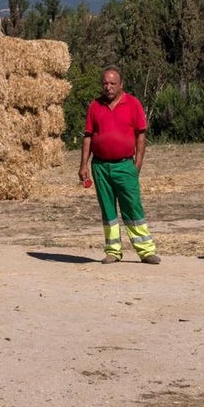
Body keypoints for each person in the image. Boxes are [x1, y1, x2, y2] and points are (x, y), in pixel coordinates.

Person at [78, 66, 160, 264]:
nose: (108, 87)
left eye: (112, 83)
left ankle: (146, 250)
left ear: (121, 84)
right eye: (105, 83)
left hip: (125, 166)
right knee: (108, 210)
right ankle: (113, 251)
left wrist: (137, 164)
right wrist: (84, 165)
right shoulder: (95, 106)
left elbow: (141, 136)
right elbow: (88, 137)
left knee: (132, 207)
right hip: (100, 167)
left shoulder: (133, 104)